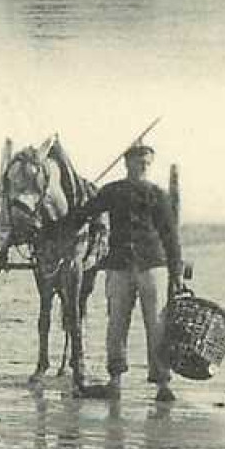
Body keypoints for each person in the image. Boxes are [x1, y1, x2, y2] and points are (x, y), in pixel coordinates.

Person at [55, 143, 183, 401]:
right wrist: (57, 228)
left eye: (147, 162)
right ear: (127, 163)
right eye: (138, 161)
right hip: (119, 266)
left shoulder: (158, 195)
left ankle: (162, 384)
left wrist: (176, 271)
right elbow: (84, 214)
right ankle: (115, 381)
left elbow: (170, 236)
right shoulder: (112, 191)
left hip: (152, 265)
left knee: (156, 325)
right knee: (116, 324)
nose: (143, 166)